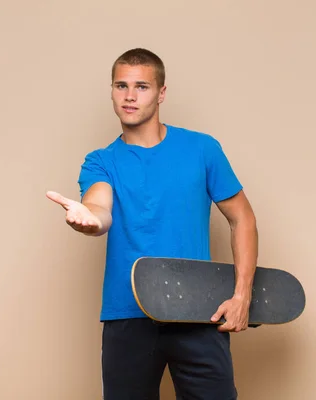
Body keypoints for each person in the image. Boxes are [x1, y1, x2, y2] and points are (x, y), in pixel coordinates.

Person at [46, 48, 258, 400]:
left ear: (161, 93)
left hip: (197, 313)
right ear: (111, 90)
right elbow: (100, 208)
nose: (130, 96)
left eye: (141, 86)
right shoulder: (100, 162)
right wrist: (90, 220)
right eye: (121, 85)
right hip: (127, 315)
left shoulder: (202, 149)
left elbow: (243, 218)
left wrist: (242, 295)